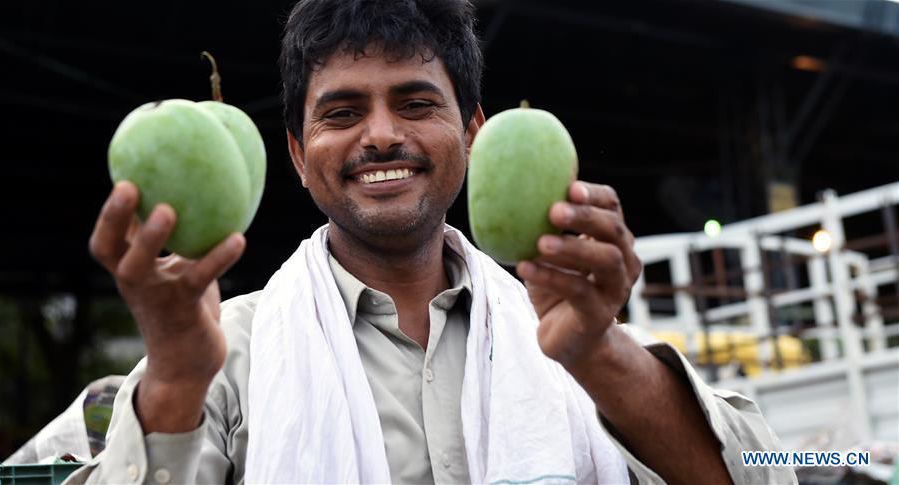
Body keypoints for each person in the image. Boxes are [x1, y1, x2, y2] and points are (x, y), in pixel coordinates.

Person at [67, 0, 795, 483]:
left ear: (473, 131)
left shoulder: (566, 335)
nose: (381, 134)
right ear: (296, 152)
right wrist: (174, 376)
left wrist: (600, 355)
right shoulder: (225, 351)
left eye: (415, 103)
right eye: (343, 111)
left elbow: (767, 474)